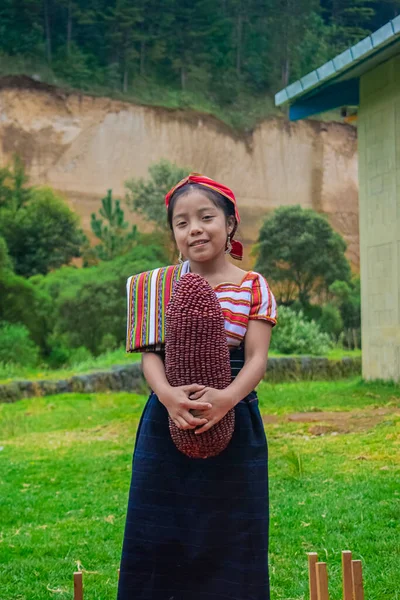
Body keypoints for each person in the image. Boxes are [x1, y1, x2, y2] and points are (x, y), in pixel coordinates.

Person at [117, 173, 278, 600]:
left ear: (230, 225)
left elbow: (257, 358)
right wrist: (168, 397)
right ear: (174, 234)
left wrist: (227, 399)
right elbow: (152, 355)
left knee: (231, 523)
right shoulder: (155, 286)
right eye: (182, 222)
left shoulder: (253, 286)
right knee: (159, 523)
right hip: (166, 414)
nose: (195, 229)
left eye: (207, 217)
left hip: (234, 411)